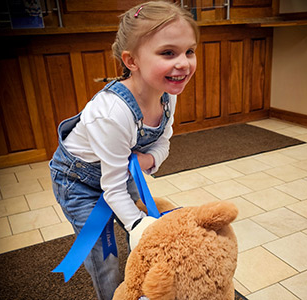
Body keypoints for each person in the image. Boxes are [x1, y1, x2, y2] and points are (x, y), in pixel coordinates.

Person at [49, 1, 199, 299]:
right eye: (168, 53)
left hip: (117, 172)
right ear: (132, 61)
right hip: (79, 181)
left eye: (189, 51)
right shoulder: (111, 112)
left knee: (143, 238)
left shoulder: (168, 94)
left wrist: (149, 158)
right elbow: (112, 187)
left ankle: (143, 288)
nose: (183, 63)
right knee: (105, 257)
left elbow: (163, 141)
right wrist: (140, 228)